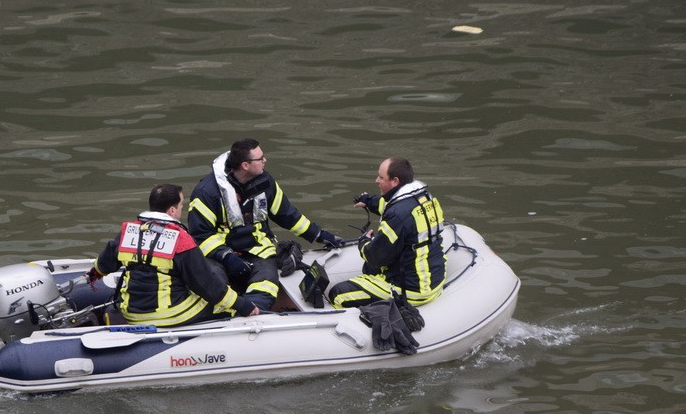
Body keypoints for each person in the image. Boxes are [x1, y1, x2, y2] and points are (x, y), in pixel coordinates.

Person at [188, 138, 341, 311]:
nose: (265, 160)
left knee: (267, 284)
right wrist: (227, 257)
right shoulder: (207, 192)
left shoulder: (265, 182)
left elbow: (288, 215)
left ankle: (252, 315)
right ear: (245, 165)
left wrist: (319, 235)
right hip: (220, 255)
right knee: (213, 281)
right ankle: (223, 315)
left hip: (257, 249)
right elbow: (201, 236)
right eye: (260, 158)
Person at [88, 184, 259, 327]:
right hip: (170, 314)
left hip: (132, 313)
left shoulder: (129, 231)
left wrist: (93, 274)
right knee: (223, 307)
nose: (181, 209)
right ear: (172, 210)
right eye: (181, 205)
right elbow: (207, 285)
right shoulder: (180, 239)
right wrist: (243, 306)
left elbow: (104, 263)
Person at [328, 157, 446, 309]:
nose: (376, 180)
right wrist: (368, 200)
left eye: (381, 177)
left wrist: (364, 241)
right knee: (369, 269)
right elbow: (389, 205)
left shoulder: (397, 215)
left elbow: (375, 256)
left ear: (395, 181)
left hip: (411, 289)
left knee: (338, 294)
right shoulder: (424, 198)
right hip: (433, 277)